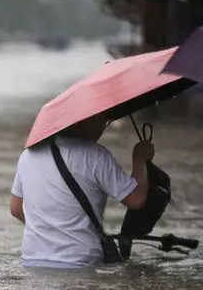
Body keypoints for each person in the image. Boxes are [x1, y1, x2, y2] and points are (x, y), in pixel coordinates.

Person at [10, 114, 155, 268]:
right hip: (80, 263)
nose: (103, 126)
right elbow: (136, 199)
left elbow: (16, 209)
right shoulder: (95, 155)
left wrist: (51, 228)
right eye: (101, 120)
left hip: (32, 261)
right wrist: (140, 160)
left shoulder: (28, 155)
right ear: (81, 122)